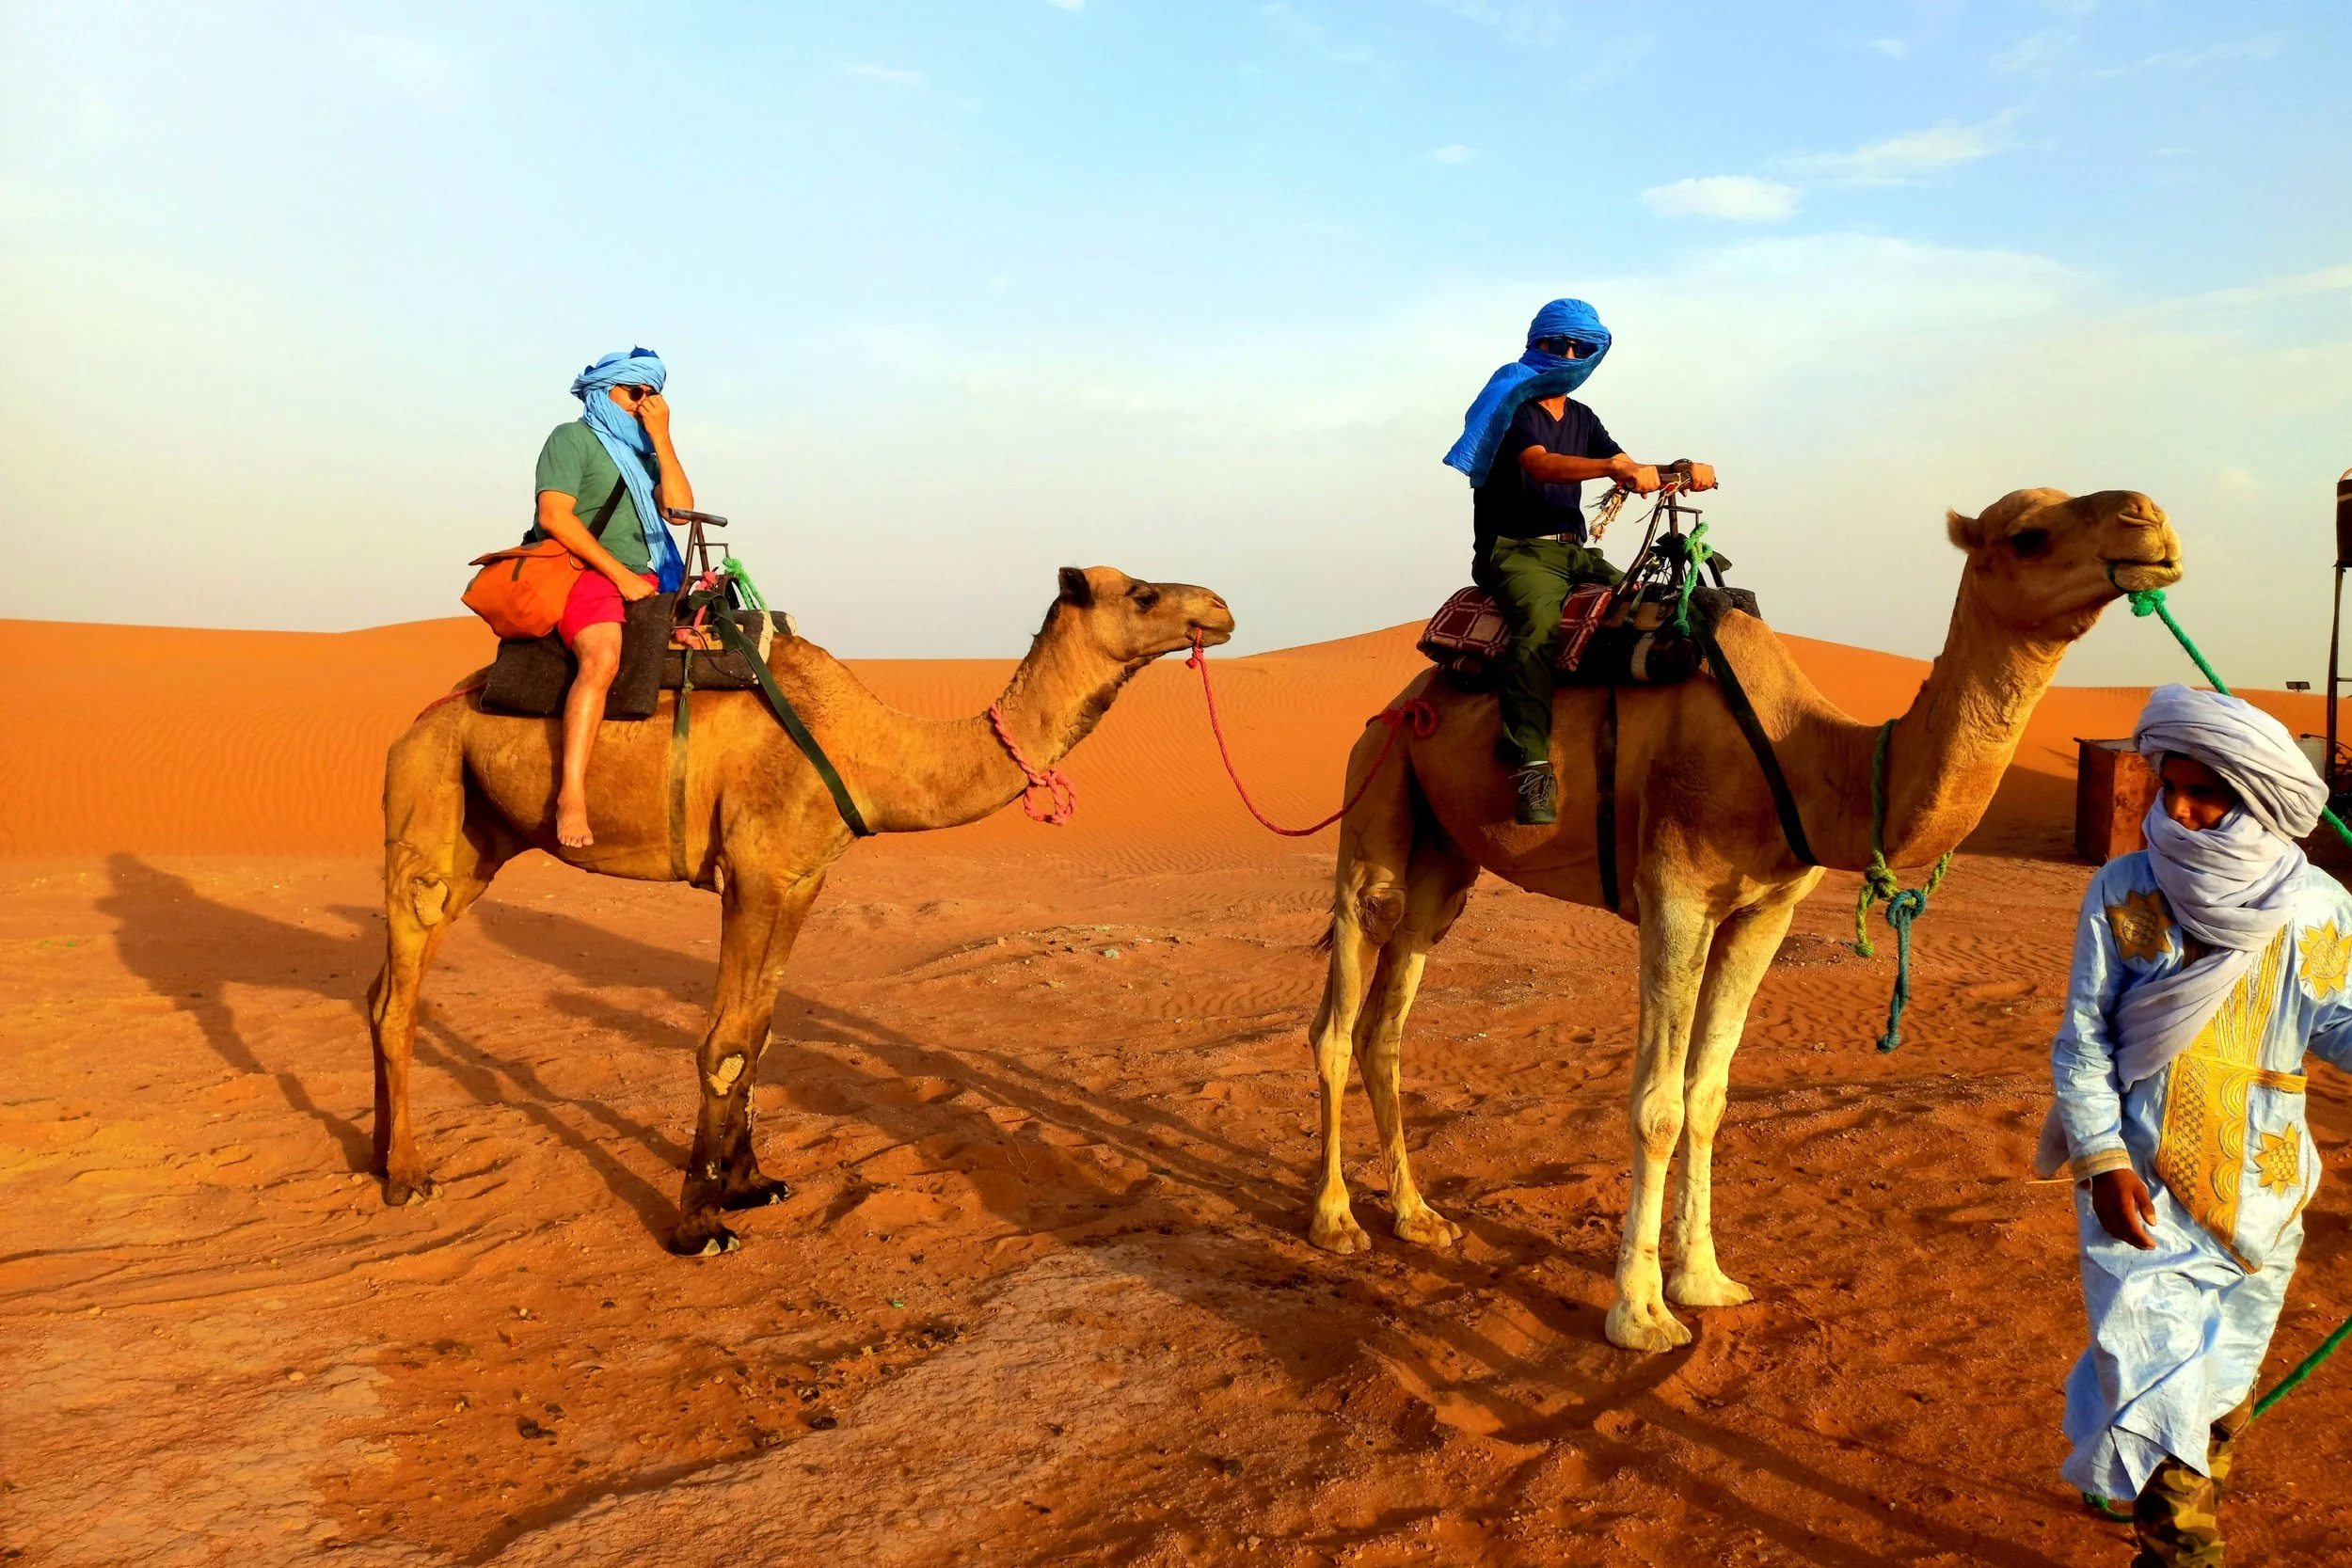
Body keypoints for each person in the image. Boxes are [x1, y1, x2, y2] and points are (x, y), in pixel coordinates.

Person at [2036, 684, 2349, 1565]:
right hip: (2142, 1184)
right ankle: (2179, 1546)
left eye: (2203, 792)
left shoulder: (2317, 904)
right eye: (2169, 786)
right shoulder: (2124, 887)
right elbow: (2084, 1040)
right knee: (2154, 1370)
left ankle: (2175, 1489)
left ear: (2253, 794)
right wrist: (2100, 1160)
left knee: (2222, 1381)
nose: (2176, 808)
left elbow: (2337, 1024)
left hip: (2266, 1187)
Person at [1443, 298, 1715, 826]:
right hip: (1516, 551)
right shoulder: (1513, 407)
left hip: (1574, 552)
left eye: (1580, 347)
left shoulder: (1583, 417)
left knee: (1656, 605)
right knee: (1539, 631)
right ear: (1537, 344)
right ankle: (1531, 761)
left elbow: (1627, 467)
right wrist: (1613, 467)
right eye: (1560, 344)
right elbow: (1541, 465)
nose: (1569, 355)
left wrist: (1679, 468)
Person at [529, 347, 695, 848]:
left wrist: (662, 437)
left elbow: (680, 513)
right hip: (585, 571)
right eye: (636, 392)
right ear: (606, 390)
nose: (644, 402)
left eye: (653, 394)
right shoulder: (571, 438)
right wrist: (620, 576)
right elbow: (554, 517)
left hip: (656, 574)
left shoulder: (646, 453)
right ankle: (571, 796)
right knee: (601, 659)